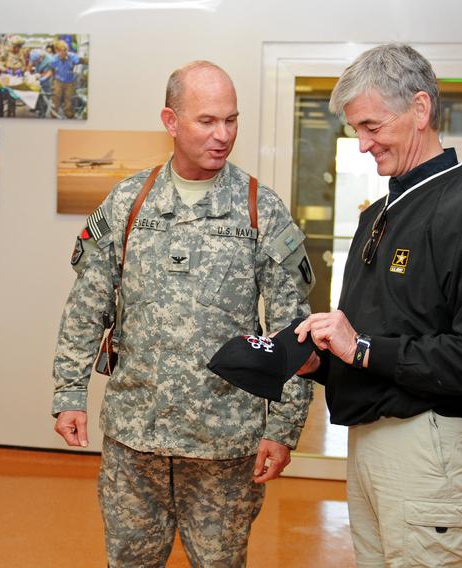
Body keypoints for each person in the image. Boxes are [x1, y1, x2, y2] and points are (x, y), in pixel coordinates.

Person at [52, 61, 318, 567]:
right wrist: (69, 393)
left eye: (232, 120)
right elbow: (87, 307)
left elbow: (294, 335)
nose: (223, 136)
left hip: (224, 445)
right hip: (135, 441)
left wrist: (282, 431)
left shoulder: (262, 209)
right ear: (171, 121)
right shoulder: (130, 201)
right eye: (207, 121)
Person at [293, 44, 462, 567]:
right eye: (355, 129)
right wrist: (325, 365)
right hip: (369, 446)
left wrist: (358, 350)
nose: (362, 145)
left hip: (428, 447)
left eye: (372, 126)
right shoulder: (378, 214)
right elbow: (388, 336)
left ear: (421, 110)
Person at [48, 40, 86, 119]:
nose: (63, 53)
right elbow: (51, 70)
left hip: (70, 82)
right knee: (56, 98)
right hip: (58, 81)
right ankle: (53, 115)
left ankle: (69, 115)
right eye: (61, 51)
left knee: (68, 99)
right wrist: (45, 78)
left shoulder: (72, 56)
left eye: (65, 50)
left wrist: (85, 60)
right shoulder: (54, 59)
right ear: (57, 51)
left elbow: (80, 60)